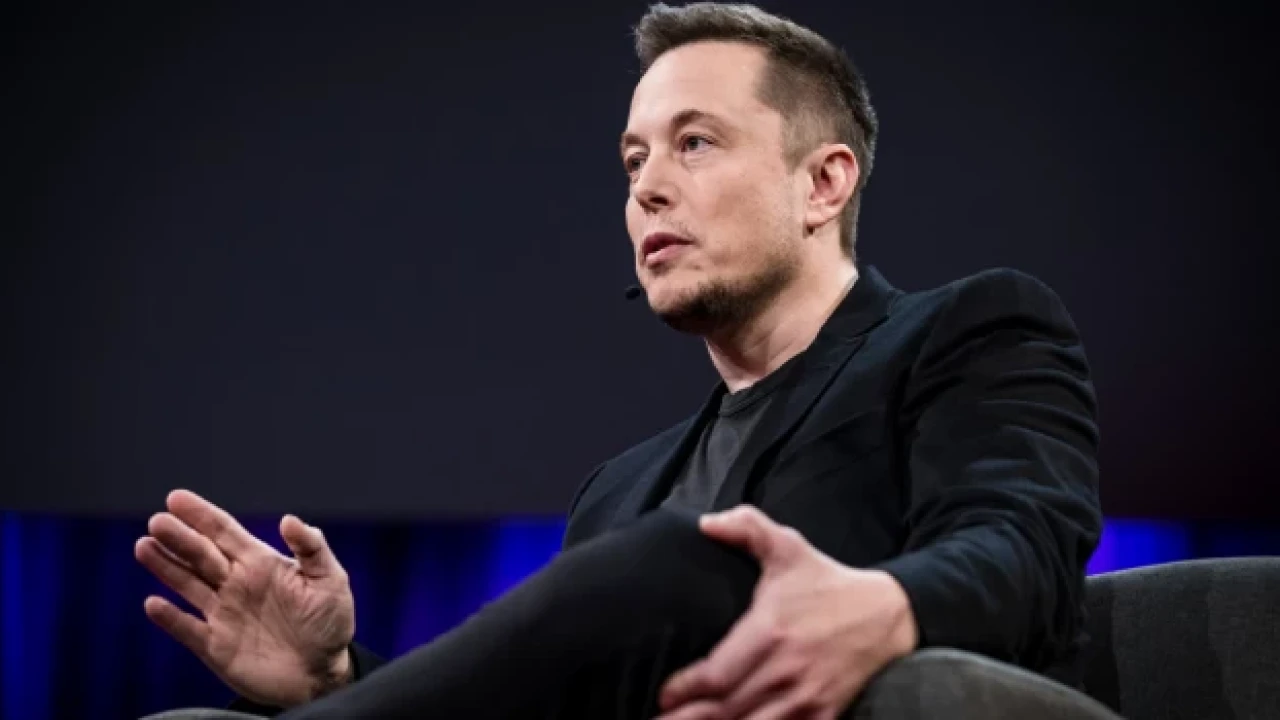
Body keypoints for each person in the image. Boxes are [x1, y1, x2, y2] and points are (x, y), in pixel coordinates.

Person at [135, 3, 1122, 719]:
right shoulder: (618, 489)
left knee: (683, 563)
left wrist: (884, 603)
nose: (646, 189)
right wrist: (338, 677)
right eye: (633, 161)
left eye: (694, 144)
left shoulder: (969, 330)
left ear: (823, 184)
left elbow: (1024, 551)